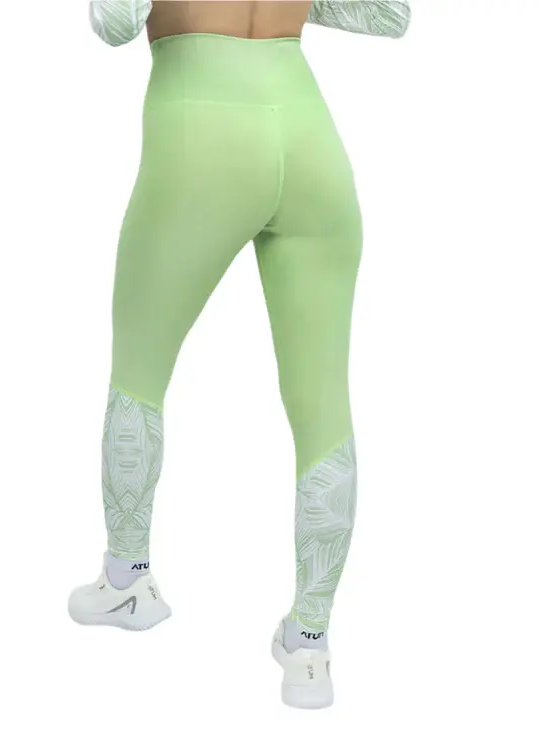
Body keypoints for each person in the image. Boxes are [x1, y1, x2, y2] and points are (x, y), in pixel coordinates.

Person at [69, 0, 410, 709]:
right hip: (309, 136)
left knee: (139, 369)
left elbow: (113, 22)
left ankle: (127, 580)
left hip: (200, 138)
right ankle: (309, 644)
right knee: (324, 407)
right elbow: (389, 15)